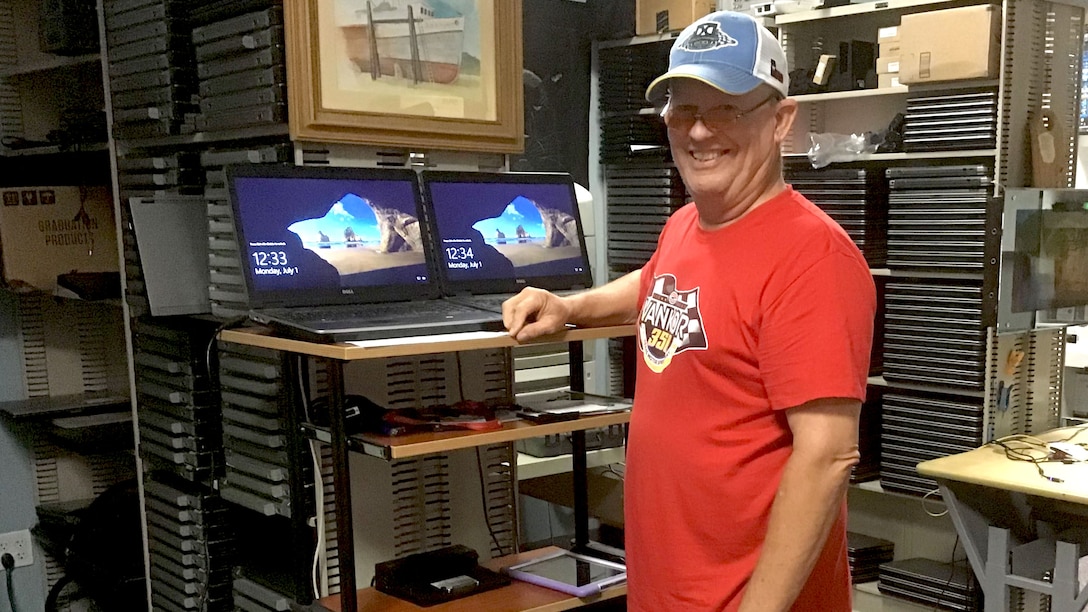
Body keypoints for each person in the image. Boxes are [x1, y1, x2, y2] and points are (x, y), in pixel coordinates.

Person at [502, 10, 876, 612]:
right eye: (684, 109)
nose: (699, 132)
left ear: (781, 120)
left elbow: (827, 455)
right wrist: (568, 307)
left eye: (726, 108)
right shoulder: (687, 225)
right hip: (667, 586)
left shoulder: (812, 258)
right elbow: (656, 285)